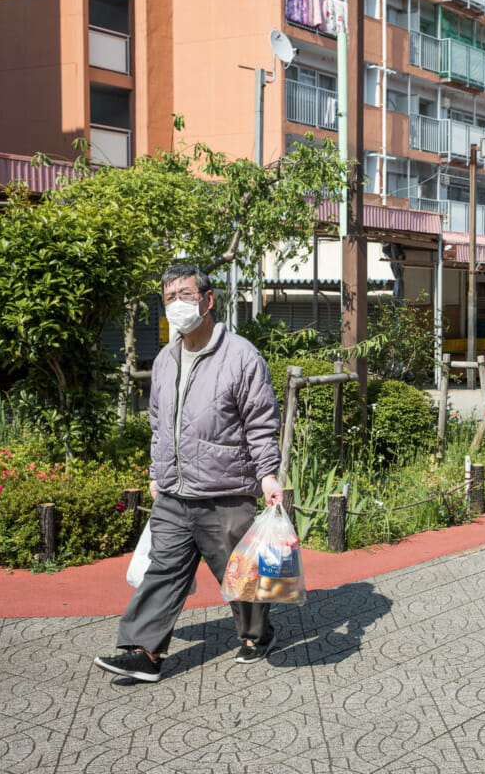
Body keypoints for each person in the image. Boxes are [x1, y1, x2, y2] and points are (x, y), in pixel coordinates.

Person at [94, 263, 284, 682]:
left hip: (225, 491)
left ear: (208, 299)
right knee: (163, 571)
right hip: (175, 493)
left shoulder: (241, 356)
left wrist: (268, 474)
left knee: (241, 575)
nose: (176, 304)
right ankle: (144, 652)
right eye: (168, 298)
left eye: (185, 294)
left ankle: (257, 633)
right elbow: (159, 422)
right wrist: (156, 471)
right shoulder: (165, 358)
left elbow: (260, 421)